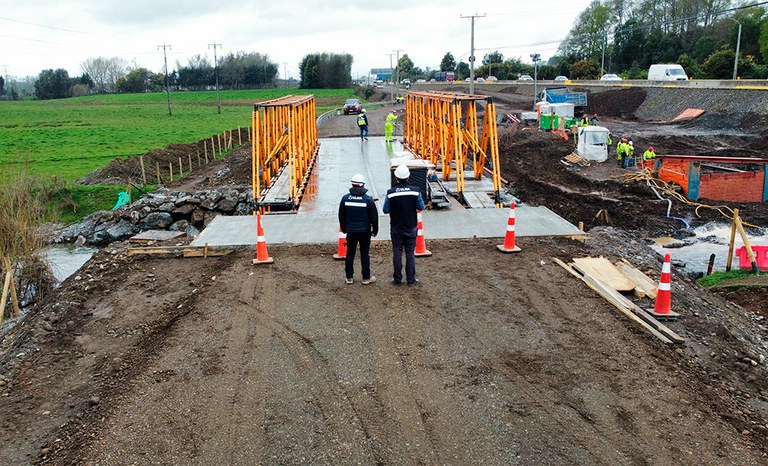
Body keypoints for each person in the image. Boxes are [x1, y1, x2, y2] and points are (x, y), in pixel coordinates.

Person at [383, 164, 424, 285]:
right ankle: (411, 279)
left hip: (396, 227)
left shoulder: (390, 193)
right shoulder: (416, 192)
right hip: (411, 227)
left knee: (397, 252)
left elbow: (385, 210)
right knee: (410, 253)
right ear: (408, 177)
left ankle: (397, 279)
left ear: (396, 178)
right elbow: (420, 206)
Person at [338, 174, 379, 285]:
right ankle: (366, 278)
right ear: (363, 185)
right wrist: (375, 230)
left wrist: (344, 228)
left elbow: (341, 216)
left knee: (350, 254)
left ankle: (349, 277)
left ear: (352, 184)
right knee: (364, 254)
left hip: (351, 231)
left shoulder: (345, 198)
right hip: (365, 231)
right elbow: (374, 217)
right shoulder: (368, 199)